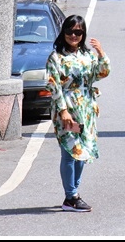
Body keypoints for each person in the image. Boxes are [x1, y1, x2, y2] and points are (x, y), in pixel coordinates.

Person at [45, 14, 111, 212]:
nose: (74, 35)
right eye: (70, 31)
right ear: (63, 32)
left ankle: (74, 193)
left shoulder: (88, 56)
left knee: (83, 151)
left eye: (78, 32)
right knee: (69, 152)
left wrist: (101, 53)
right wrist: (63, 110)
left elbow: (101, 74)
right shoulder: (56, 57)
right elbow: (53, 84)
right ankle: (71, 196)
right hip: (66, 109)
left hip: (87, 110)